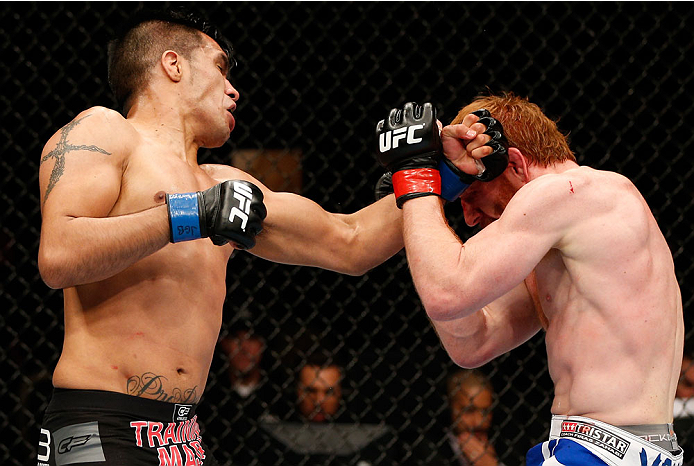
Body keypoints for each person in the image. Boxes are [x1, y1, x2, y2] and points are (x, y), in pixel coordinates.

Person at [35, 8, 408, 465]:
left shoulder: (225, 185)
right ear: (173, 65)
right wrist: (190, 214)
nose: (234, 90)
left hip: (184, 436)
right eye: (219, 68)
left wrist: (438, 175)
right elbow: (58, 255)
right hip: (101, 421)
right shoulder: (106, 132)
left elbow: (351, 242)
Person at [375, 93, 684, 465]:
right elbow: (472, 344)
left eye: (471, 193)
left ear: (515, 163)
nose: (469, 217)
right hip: (615, 448)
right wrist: (419, 210)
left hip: (602, 450)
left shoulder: (572, 193)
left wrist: (418, 182)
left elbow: (447, 293)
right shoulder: (573, 236)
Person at [444, 369, 500, 466]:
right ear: (450, 407)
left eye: (485, 411)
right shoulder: (426, 450)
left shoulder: (502, 444)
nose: (479, 422)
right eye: (469, 411)